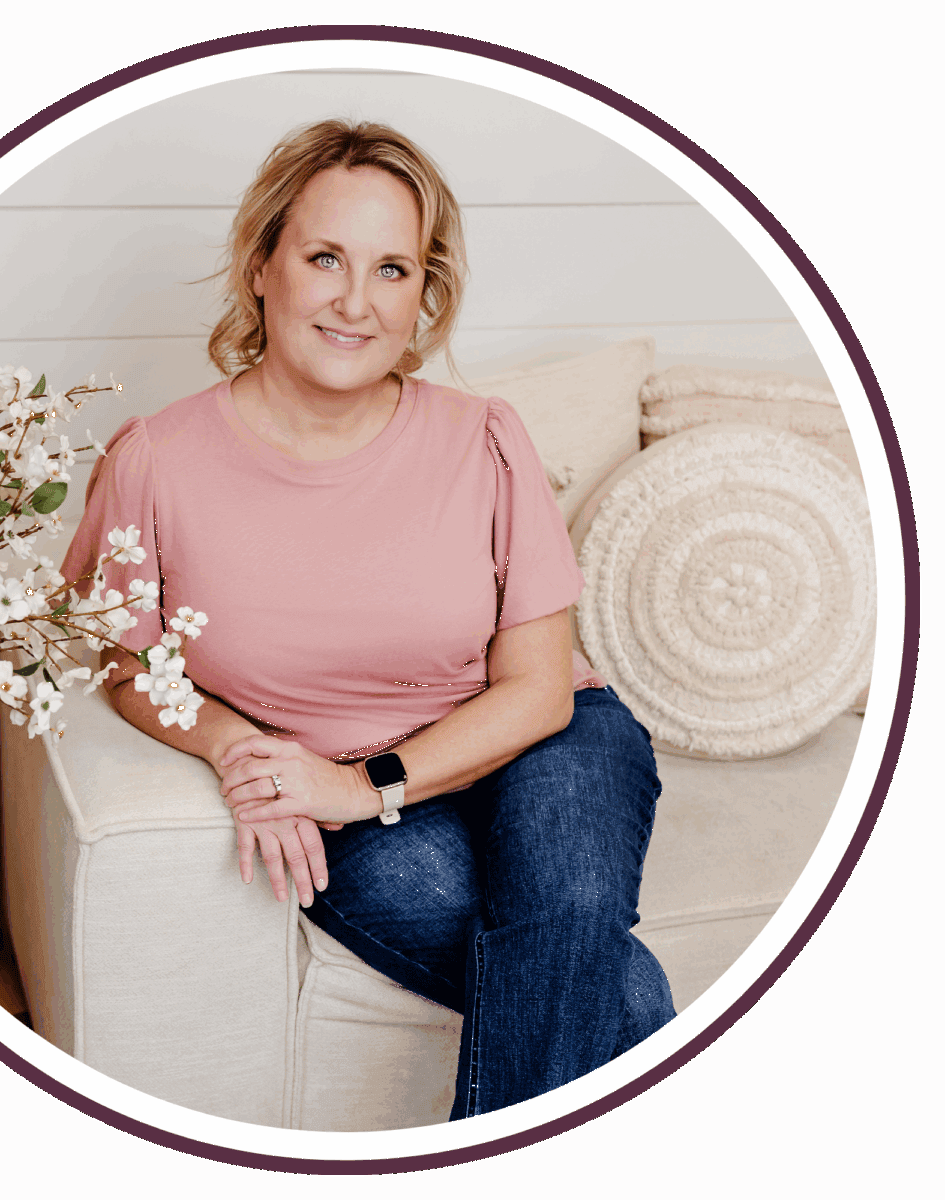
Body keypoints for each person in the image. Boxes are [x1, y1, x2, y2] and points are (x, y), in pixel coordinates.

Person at [62, 119, 675, 1120]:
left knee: (567, 909)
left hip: (539, 741)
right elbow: (123, 665)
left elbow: (534, 689)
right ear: (261, 265)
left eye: (391, 269)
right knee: (617, 990)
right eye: (325, 259)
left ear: (422, 295)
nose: (356, 301)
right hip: (348, 804)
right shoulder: (155, 462)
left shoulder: (482, 437)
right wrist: (237, 746)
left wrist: (363, 784)